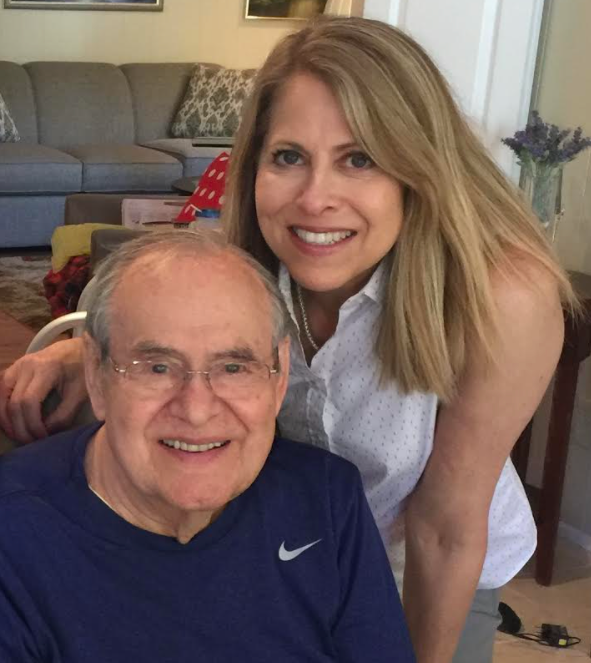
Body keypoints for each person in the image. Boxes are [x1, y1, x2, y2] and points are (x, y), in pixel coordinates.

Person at [0, 16, 575, 663]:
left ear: (417, 167)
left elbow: (444, 526)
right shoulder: (244, 253)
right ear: (253, 165)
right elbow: (160, 313)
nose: (314, 198)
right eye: (288, 157)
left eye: (359, 158)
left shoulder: (500, 297)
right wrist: (80, 349)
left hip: (427, 558)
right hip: (285, 539)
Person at [0, 230, 415, 663]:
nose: (197, 410)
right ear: (95, 374)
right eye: (157, 367)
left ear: (279, 376)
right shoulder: (13, 537)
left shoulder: (327, 499)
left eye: (234, 367)